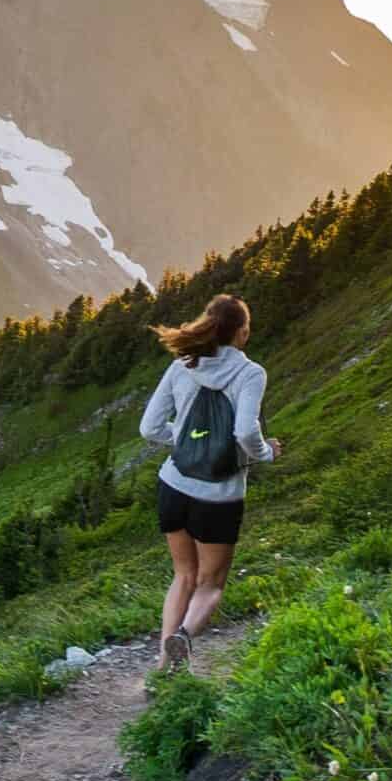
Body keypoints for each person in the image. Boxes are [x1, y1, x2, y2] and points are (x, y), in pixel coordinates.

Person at [136, 293, 280, 685]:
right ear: (243, 332)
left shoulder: (182, 364)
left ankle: (164, 669)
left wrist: (186, 441)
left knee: (183, 575)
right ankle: (182, 637)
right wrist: (264, 454)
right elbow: (246, 431)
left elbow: (149, 428)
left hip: (173, 485)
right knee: (210, 583)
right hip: (217, 496)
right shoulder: (251, 374)